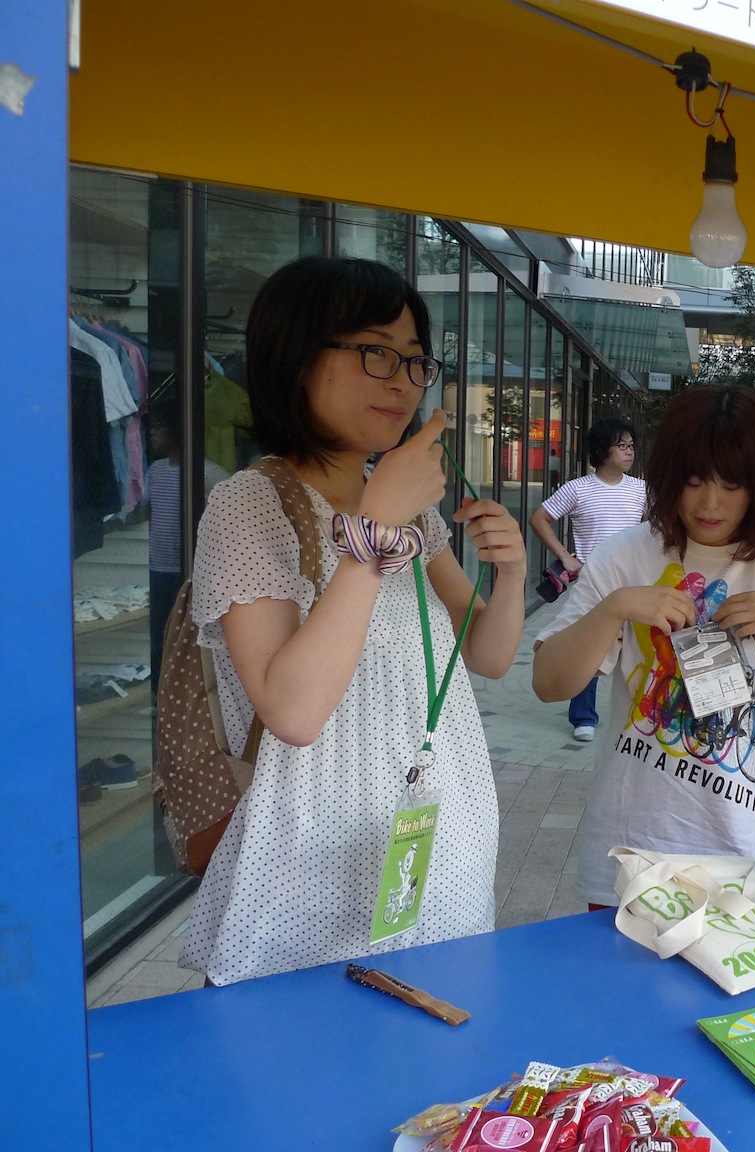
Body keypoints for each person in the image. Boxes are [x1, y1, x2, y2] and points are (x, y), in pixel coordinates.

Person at [178, 255, 527, 985]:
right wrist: (373, 529)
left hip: (439, 819)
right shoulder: (251, 504)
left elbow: (487, 655)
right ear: (297, 357)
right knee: (312, 1042)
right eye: (375, 352)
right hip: (312, 848)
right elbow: (294, 712)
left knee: (435, 1031)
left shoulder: (409, 508)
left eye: (415, 360)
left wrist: (513, 572)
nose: (402, 381)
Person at [532, 385, 755, 907]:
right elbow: (549, 682)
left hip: (751, 853)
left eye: (731, 484)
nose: (710, 503)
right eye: (694, 480)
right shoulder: (623, 556)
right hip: (631, 853)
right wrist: (615, 608)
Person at [528, 417, 647, 742]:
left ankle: (639, 714)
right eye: (621, 446)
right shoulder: (578, 489)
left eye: (631, 446)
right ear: (602, 450)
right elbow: (539, 519)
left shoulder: (641, 489)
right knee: (588, 648)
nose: (629, 452)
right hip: (592, 584)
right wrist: (565, 557)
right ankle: (583, 717)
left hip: (635, 583)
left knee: (639, 650)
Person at [145, 399, 229, 697]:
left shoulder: (208, 473)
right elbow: (147, 511)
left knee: (189, 637)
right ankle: (161, 694)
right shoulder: (155, 471)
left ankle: (186, 694)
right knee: (160, 635)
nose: (152, 433)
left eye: (158, 427)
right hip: (159, 568)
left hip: (192, 571)